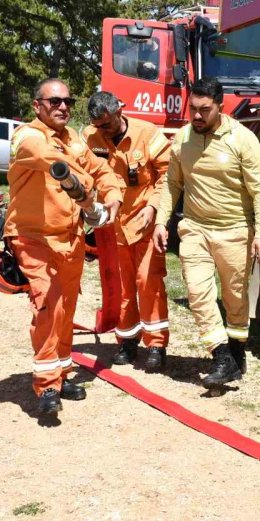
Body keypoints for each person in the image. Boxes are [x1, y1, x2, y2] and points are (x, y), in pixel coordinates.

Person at [5, 78, 124, 416]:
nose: (62, 107)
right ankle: (46, 386)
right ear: (36, 106)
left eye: (68, 102)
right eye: (54, 101)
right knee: (48, 305)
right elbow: (50, 160)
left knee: (67, 309)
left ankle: (61, 372)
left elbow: (99, 168)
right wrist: (88, 193)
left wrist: (112, 194)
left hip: (69, 238)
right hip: (32, 238)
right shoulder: (27, 136)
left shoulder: (73, 138)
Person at [152, 78, 260, 388]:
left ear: (220, 107)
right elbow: (172, 184)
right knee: (197, 292)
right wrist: (160, 222)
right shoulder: (182, 139)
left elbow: (259, 190)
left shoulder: (243, 139)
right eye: (193, 109)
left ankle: (236, 352)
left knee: (235, 298)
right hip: (195, 228)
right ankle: (220, 356)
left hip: (235, 231)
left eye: (205, 110)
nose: (196, 116)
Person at [83, 92, 171, 372]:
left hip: (144, 222)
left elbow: (168, 174)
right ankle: (127, 340)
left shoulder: (147, 134)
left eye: (106, 125)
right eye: (97, 126)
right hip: (112, 228)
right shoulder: (89, 138)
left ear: (120, 111)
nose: (102, 132)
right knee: (120, 288)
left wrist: (154, 208)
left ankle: (156, 344)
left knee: (149, 282)